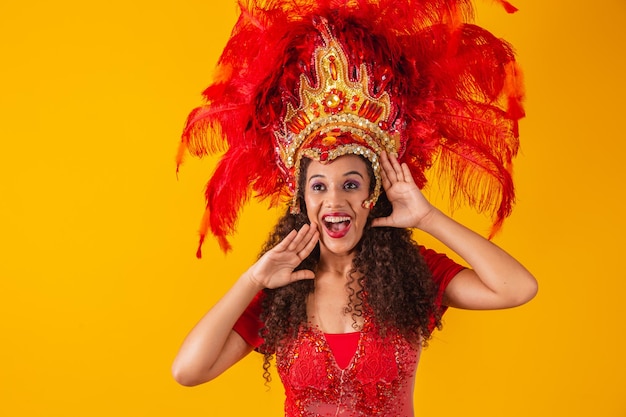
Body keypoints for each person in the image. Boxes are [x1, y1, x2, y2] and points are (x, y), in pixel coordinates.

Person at [172, 1, 537, 416]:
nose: (334, 201)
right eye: (318, 186)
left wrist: (428, 218)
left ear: (374, 193)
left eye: (350, 184)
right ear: (302, 199)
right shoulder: (280, 288)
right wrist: (253, 278)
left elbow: (517, 289)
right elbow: (188, 370)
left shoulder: (414, 273)